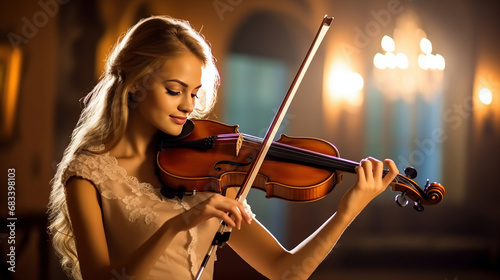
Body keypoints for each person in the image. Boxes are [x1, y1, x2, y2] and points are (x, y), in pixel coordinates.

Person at [47, 15, 398, 280]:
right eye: (174, 90)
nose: (188, 105)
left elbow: (285, 271)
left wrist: (346, 212)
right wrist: (177, 224)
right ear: (136, 84)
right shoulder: (87, 173)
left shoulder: (207, 175)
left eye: (194, 93)